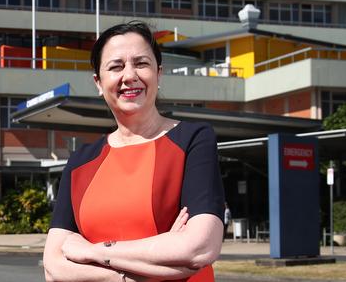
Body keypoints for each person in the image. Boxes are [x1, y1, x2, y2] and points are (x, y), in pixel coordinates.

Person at [43, 21, 225, 282]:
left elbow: (199, 248)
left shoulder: (193, 140)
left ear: (158, 73)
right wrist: (134, 273)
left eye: (141, 63)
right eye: (116, 66)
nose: (129, 75)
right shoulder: (81, 161)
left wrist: (92, 251)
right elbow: (53, 267)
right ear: (98, 81)